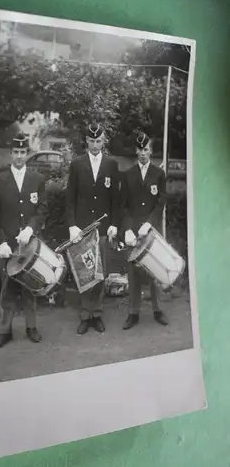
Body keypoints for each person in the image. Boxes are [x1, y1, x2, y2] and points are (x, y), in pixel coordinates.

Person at [0, 133, 48, 350]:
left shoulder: (37, 179)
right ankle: (5, 330)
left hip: (29, 245)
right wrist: (1, 242)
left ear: (27, 154)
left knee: (30, 287)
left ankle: (31, 327)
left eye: (23, 152)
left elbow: (42, 209)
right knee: (7, 288)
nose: (20, 156)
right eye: (16, 152)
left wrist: (31, 227)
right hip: (9, 248)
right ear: (11, 153)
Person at [66, 123, 120, 335]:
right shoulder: (77, 165)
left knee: (99, 272)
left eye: (99, 141)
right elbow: (69, 199)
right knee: (84, 272)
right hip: (82, 229)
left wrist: (115, 224)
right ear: (86, 141)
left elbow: (116, 198)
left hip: (103, 228)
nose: (95, 145)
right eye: (92, 141)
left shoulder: (111, 164)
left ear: (103, 140)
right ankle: (84, 314)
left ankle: (96, 313)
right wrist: (72, 225)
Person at [120, 132, 168, 330]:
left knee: (155, 271)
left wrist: (149, 223)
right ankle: (133, 313)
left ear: (151, 151)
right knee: (133, 273)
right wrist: (128, 230)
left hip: (151, 230)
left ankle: (158, 310)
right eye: (139, 149)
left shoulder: (159, 174)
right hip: (133, 232)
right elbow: (123, 206)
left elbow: (160, 202)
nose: (142, 153)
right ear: (135, 150)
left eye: (146, 149)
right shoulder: (128, 175)